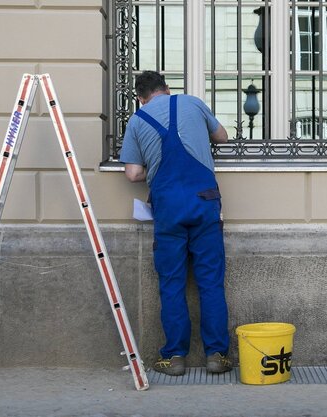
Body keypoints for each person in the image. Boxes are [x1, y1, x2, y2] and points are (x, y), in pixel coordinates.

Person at [120, 71, 232, 376]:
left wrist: (154, 168)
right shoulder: (194, 103)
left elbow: (132, 173)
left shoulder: (137, 120)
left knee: (171, 285)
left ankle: (174, 357)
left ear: (140, 99)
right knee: (210, 283)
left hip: (168, 209)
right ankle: (217, 356)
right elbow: (222, 136)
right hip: (204, 202)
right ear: (167, 89)